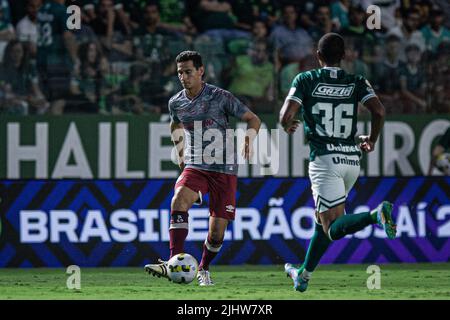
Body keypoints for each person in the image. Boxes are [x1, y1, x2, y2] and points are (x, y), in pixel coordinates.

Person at [279, 33, 397, 293]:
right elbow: (379, 111)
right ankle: (303, 275)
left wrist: (289, 124)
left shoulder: (306, 79)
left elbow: (285, 115)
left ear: (317, 55)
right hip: (351, 159)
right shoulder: (356, 81)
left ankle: (374, 215)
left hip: (324, 159)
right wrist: (372, 140)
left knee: (332, 226)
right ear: (344, 56)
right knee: (323, 220)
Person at [144, 51, 261, 286]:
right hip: (196, 165)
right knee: (178, 201)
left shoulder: (220, 97)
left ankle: (203, 268)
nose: (183, 77)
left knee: (217, 233)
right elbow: (175, 123)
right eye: (180, 73)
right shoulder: (175, 102)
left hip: (224, 169)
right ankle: (171, 263)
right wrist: (179, 150)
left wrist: (248, 139)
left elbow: (253, 119)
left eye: (188, 72)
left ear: (200, 71)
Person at [37, 0, 79, 114]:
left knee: (48, 101)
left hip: (41, 59)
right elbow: (68, 36)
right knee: (58, 101)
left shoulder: (42, 9)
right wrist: (76, 60)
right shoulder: (62, 10)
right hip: (56, 61)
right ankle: (54, 131)